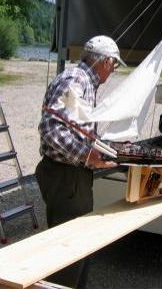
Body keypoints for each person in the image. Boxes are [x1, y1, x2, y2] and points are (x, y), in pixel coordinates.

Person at [35, 35, 125, 287]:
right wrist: (87, 156)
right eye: (114, 65)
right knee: (68, 252)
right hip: (66, 177)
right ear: (105, 61)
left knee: (80, 247)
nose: (113, 70)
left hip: (72, 175)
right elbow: (51, 129)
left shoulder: (82, 80)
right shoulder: (76, 80)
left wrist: (95, 149)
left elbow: (71, 127)